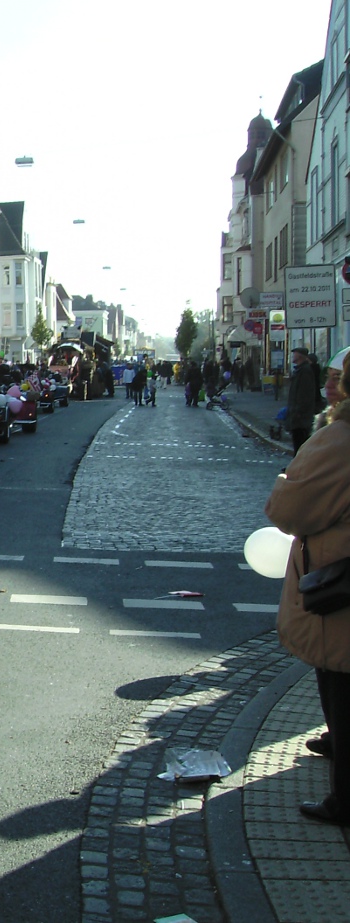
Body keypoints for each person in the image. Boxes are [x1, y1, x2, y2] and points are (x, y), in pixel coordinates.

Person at [264, 349, 350, 827]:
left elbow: (287, 508)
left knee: (339, 678)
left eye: (341, 378)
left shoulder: (338, 441)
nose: (331, 386)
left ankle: (344, 799)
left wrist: (286, 480)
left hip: (338, 585)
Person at [286, 346, 321, 455]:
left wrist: (298, 412)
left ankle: (299, 467)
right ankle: (296, 465)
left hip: (301, 417)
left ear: (300, 356)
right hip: (297, 415)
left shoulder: (305, 371)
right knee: (298, 443)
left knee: (300, 443)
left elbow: (305, 394)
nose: (293, 356)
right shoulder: (300, 370)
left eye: (294, 354)